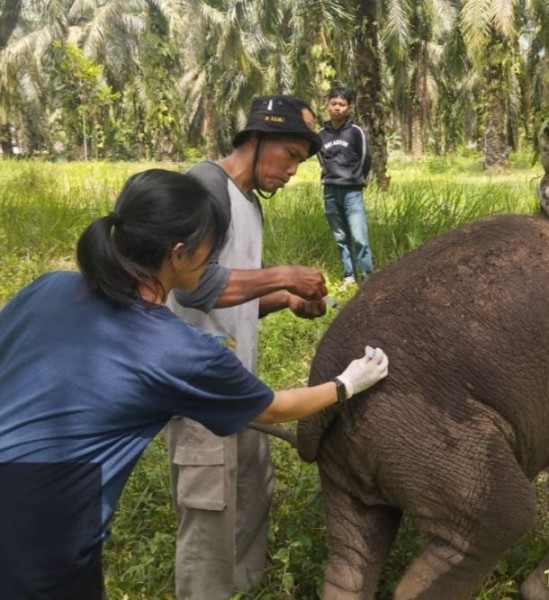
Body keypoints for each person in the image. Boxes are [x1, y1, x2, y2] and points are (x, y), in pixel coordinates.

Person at [0, 169, 389, 600]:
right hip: (44, 524)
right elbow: (274, 408)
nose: (214, 256)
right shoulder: (177, 349)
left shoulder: (49, 287)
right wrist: (348, 383)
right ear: (180, 253)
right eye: (212, 245)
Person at [164, 95, 336, 599]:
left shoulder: (251, 207)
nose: (291, 172)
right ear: (255, 139)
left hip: (239, 383)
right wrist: (282, 275)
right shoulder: (205, 186)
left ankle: (244, 586)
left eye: (300, 164)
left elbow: (230, 300)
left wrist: (284, 298)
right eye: (289, 156)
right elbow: (192, 286)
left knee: (252, 490)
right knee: (208, 509)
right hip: (199, 387)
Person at [318, 85, 374, 288]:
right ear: (327, 105)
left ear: (349, 108)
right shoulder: (321, 134)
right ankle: (349, 276)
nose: (337, 108)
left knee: (359, 237)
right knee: (340, 237)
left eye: (342, 104)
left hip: (352, 192)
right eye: (333, 103)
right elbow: (321, 160)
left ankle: (368, 278)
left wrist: (356, 179)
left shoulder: (356, 132)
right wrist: (330, 177)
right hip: (330, 191)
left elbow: (366, 158)